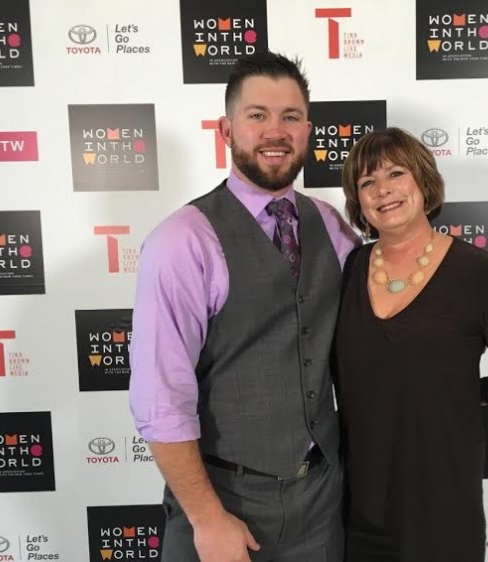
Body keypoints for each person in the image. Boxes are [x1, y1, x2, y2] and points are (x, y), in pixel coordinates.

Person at [129, 52, 358, 562]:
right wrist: (207, 518)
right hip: (224, 504)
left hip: (321, 503)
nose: (275, 131)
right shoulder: (182, 241)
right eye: (257, 116)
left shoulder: (334, 227)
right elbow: (160, 397)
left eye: (290, 117)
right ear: (226, 129)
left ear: (307, 130)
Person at [335, 127, 488, 562]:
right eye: (367, 182)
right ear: (358, 201)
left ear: (423, 181)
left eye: (396, 173)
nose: (383, 190)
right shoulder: (351, 267)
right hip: (360, 501)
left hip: (443, 501)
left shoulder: (476, 272)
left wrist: (470, 397)